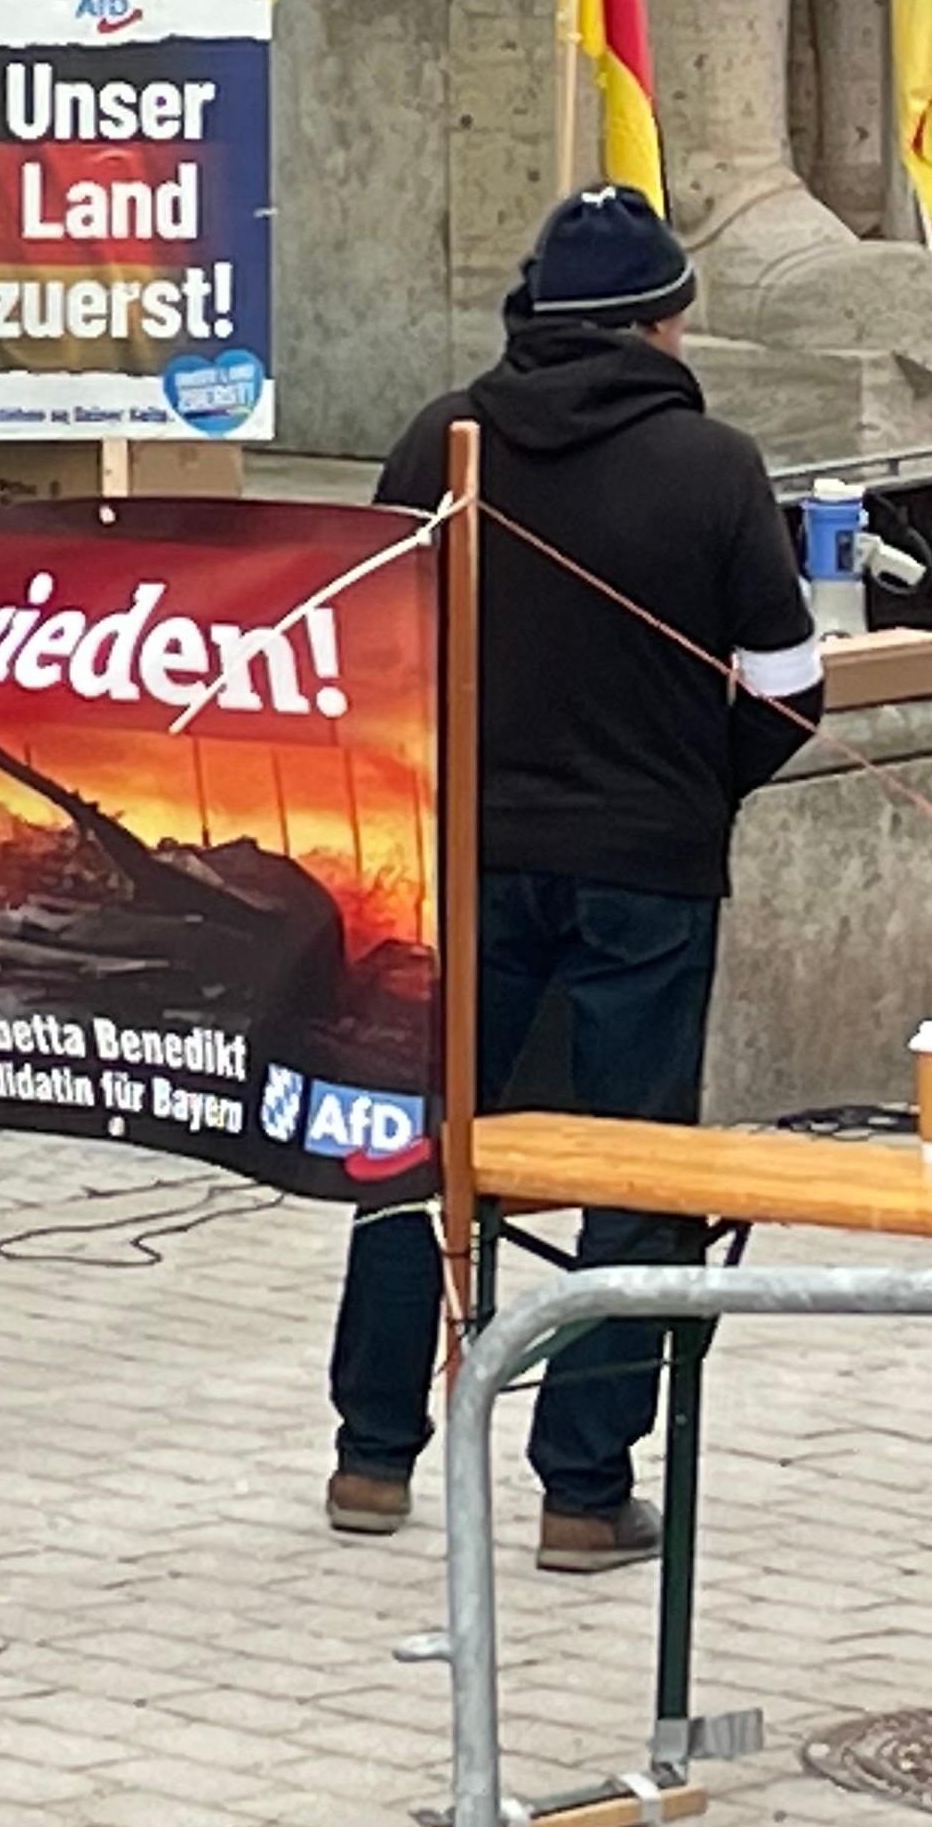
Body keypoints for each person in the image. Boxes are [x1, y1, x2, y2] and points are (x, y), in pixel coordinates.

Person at [331, 187, 821, 1565]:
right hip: (647, 865)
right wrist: (690, 783)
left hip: (464, 853)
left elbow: (371, 650)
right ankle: (584, 1488)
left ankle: (372, 1455)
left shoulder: (443, 438)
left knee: (421, 1145)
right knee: (632, 1153)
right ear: (667, 320)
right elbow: (788, 689)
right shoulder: (715, 462)